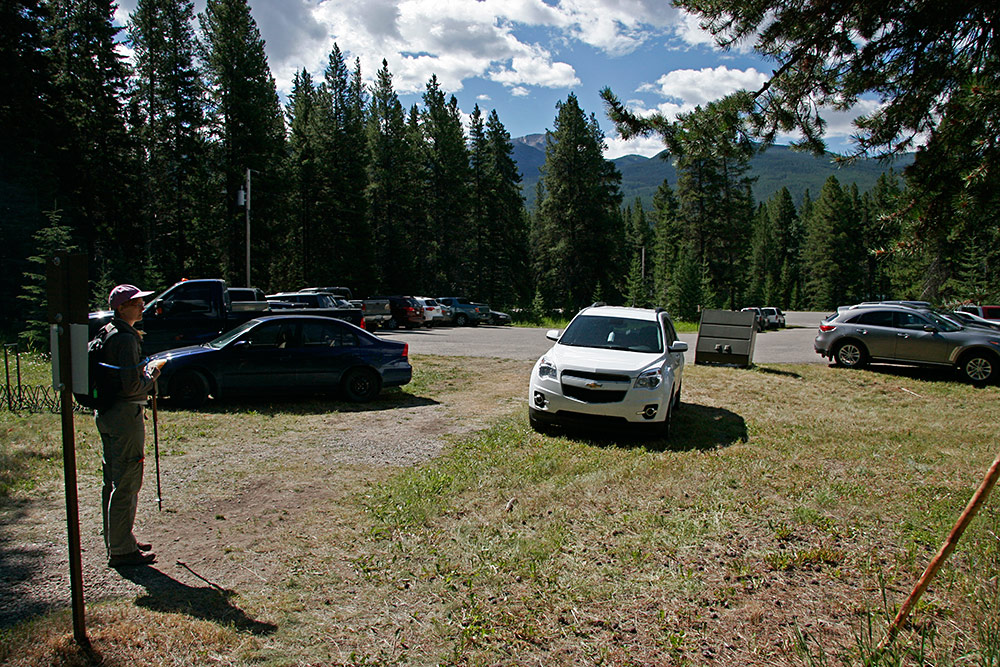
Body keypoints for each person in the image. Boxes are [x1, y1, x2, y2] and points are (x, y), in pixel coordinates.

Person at [97, 284, 161, 568]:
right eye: (136, 302)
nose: (142, 306)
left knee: (113, 479)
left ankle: (119, 537)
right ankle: (121, 549)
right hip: (125, 414)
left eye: (142, 301)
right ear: (121, 307)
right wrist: (154, 373)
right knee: (127, 480)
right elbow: (132, 384)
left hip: (108, 412)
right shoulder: (125, 339)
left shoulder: (107, 331)